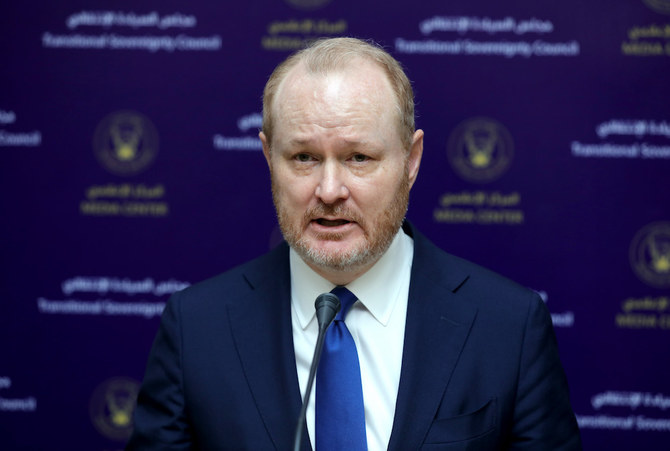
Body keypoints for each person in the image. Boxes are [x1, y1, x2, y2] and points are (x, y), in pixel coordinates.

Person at [127, 37, 581, 450]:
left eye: (358, 158)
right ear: (269, 158)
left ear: (411, 160)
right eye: (303, 157)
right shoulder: (196, 328)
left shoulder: (509, 326)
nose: (329, 190)